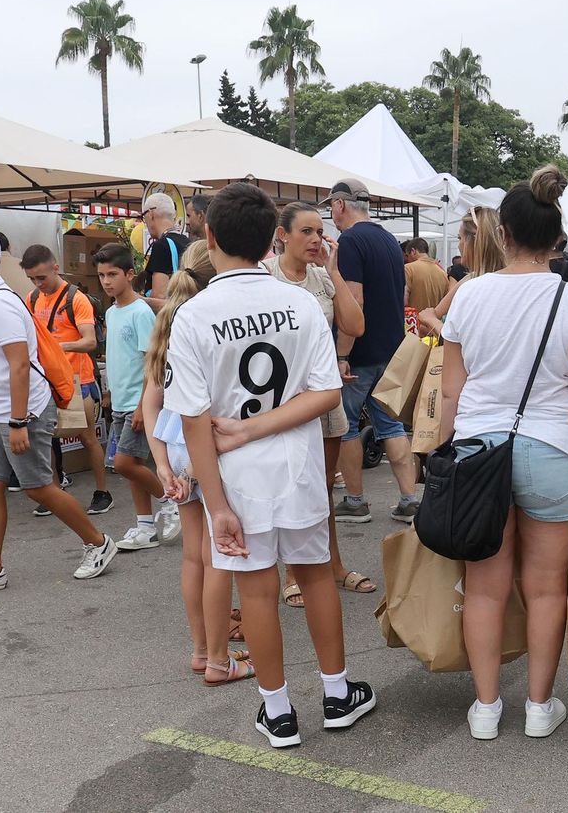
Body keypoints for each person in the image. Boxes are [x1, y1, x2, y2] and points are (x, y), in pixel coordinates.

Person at [166, 182, 373, 749]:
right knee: (314, 574)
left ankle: (277, 711)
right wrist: (262, 426)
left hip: (235, 479)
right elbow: (327, 392)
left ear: (209, 235)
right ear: (270, 240)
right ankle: (336, 694)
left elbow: (193, 420)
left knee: (256, 591)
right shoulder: (301, 301)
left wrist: (215, 502)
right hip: (299, 466)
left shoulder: (194, 315)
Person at [438, 168, 568, 739]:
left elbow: (450, 388)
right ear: (556, 236)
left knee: (485, 586)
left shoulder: (469, 294)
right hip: (552, 452)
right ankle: (539, 707)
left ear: (505, 233)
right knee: (546, 586)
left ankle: (486, 707)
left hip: (477, 449)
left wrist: (443, 452)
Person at [0, 228, 116, 594]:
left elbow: (19, 365)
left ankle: (98, 542)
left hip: (19, 411)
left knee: (39, 488)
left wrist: (19, 421)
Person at [140, 242, 252, 684]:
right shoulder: (213, 321)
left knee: (193, 556)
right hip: (207, 443)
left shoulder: (169, 321)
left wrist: (163, 464)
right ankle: (221, 661)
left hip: (175, 443)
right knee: (217, 556)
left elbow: (151, 402)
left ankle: (203, 650)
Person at [264, 202, 372, 607]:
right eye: (305, 232)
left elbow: (354, 325)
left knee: (323, 487)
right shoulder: (266, 275)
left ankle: (334, 566)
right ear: (283, 234)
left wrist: (335, 272)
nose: (314, 239)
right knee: (294, 485)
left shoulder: (322, 276)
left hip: (325, 395)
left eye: (319, 231)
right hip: (284, 398)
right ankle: (293, 570)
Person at [326, 179, 420, 524]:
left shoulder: (350, 241)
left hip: (360, 353)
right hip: (391, 349)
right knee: (391, 425)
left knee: (348, 426)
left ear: (340, 205)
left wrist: (341, 355)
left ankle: (355, 500)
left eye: (330, 207)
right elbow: (403, 293)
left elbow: (354, 302)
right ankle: (410, 499)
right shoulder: (388, 239)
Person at [95, 243, 180, 551]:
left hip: (138, 403)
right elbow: (119, 357)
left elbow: (152, 360)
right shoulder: (111, 311)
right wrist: (108, 392)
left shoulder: (141, 311)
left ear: (130, 274)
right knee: (132, 468)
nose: (106, 281)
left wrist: (146, 405)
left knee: (124, 464)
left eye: (113, 274)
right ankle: (145, 525)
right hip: (119, 402)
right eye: (102, 275)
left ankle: (170, 500)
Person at [18, 244, 114, 515]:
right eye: (32, 279)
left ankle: (102, 491)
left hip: (76, 380)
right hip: (45, 382)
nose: (38, 284)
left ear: (55, 268)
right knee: (45, 438)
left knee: (87, 438)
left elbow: (89, 341)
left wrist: (56, 347)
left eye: (41, 277)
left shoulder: (76, 299)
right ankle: (54, 492)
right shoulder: (32, 298)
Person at [417, 206, 507, 337]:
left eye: (460, 238)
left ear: (475, 242)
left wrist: (431, 320)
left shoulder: (469, 285)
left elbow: (459, 339)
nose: (459, 245)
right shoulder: (516, 281)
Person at [141, 192, 193, 303]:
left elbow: (160, 296)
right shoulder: (189, 243)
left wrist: (138, 300)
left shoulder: (162, 246)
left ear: (150, 214)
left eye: (143, 216)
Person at [402, 237, 448, 313]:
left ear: (413, 251)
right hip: (434, 322)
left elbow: (404, 301)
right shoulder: (442, 273)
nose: (407, 259)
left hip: (414, 322)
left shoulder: (408, 268)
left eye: (407, 255)